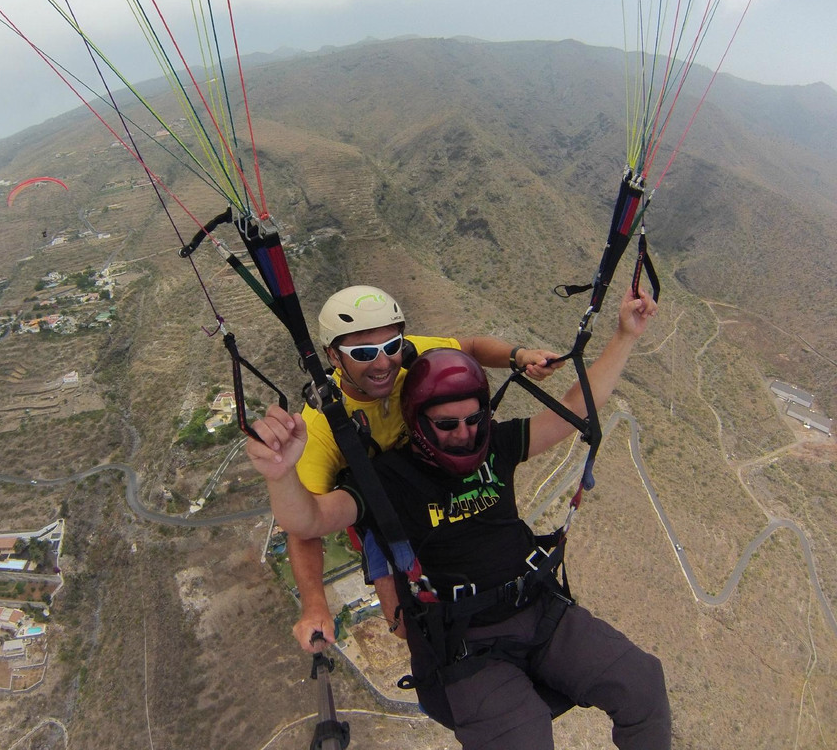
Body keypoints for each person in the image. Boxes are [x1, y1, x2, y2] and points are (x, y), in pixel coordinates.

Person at [250, 288, 671, 749]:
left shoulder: (492, 440)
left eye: (474, 420)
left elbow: (571, 408)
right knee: (521, 735)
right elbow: (307, 521)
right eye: (447, 425)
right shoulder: (381, 473)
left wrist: (623, 336)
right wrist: (280, 475)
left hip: (537, 606)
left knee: (641, 683)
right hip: (464, 637)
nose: (465, 434)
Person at [287, 285, 561, 652]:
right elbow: (304, 529)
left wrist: (520, 356)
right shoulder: (321, 430)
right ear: (334, 356)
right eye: (364, 353)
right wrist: (314, 606)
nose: (383, 363)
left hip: (434, 477)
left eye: (392, 346)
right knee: (404, 625)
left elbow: (471, 348)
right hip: (381, 506)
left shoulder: (407, 354)